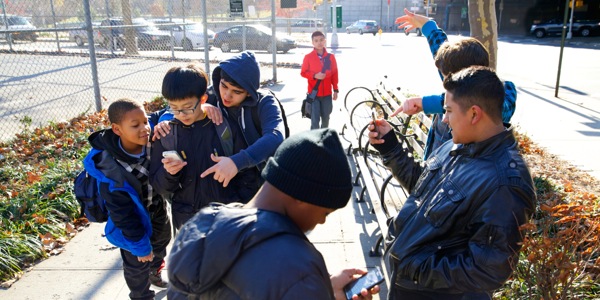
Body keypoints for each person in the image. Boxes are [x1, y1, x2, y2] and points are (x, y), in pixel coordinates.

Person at [368, 66, 536, 299]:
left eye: (448, 110)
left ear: (474, 114)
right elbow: (424, 190)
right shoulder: (458, 145)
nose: (444, 119)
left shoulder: (505, 184)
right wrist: (390, 148)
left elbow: (487, 269)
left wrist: (413, 268)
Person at [167, 128, 380, 300]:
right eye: (325, 211)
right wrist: (312, 285)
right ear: (302, 196)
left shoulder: (204, 226)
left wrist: (323, 287)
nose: (322, 221)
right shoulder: (299, 267)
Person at [393, 8, 517, 160]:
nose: (446, 83)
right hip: (434, 169)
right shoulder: (454, 78)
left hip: (454, 174)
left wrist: (427, 103)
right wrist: (427, 25)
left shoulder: (503, 92)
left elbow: (486, 106)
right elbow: (440, 50)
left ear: (465, 76)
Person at [153, 52, 285, 191]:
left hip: (267, 179)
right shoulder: (212, 94)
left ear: (249, 92)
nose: (227, 95)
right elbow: (174, 107)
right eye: (224, 86)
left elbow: (275, 136)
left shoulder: (265, 102)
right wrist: (167, 120)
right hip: (233, 184)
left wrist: (236, 162)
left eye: (237, 92)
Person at [149, 63, 259, 229]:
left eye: (187, 107)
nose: (181, 115)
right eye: (174, 108)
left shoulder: (223, 128)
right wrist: (169, 173)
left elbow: (248, 174)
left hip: (226, 219)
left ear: (203, 99)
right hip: (187, 223)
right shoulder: (166, 134)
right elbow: (159, 186)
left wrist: (240, 208)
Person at [82, 98, 172, 299]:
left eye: (145, 122)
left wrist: (165, 120)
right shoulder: (110, 170)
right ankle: (141, 295)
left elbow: (166, 113)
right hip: (131, 219)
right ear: (116, 129)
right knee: (136, 262)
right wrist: (139, 246)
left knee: (161, 242)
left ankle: (154, 270)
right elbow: (122, 213)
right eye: (135, 125)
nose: (145, 128)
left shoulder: (150, 142)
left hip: (156, 207)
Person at [301, 30, 339, 130]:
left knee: (326, 119)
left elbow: (334, 74)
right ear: (312, 42)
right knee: (315, 120)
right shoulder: (308, 57)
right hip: (314, 95)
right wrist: (314, 75)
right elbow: (303, 72)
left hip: (327, 94)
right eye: (316, 40)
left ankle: (324, 141)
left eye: (321, 40)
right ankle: (314, 142)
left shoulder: (331, 57)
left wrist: (335, 90)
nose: (319, 43)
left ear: (325, 41)